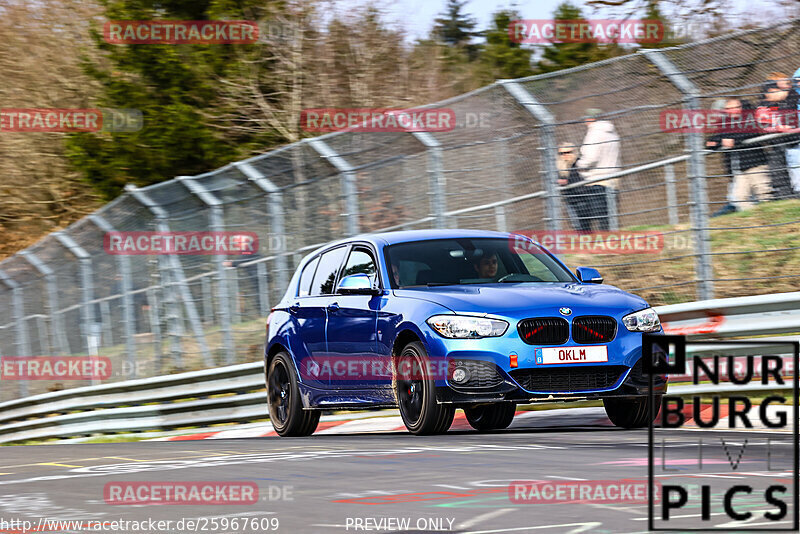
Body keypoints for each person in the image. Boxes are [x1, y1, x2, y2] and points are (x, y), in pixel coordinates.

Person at [706, 97, 771, 210]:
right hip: (739, 170)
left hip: (755, 165)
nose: (733, 110)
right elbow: (711, 141)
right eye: (729, 108)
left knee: (764, 193)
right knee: (739, 198)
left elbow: (751, 133)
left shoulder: (749, 119)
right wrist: (721, 141)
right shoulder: (724, 124)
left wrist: (733, 140)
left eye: (736, 107)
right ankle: (755, 220)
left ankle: (771, 218)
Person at [756, 80, 797, 199]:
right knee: (780, 173)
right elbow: (763, 126)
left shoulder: (790, 100)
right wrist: (778, 128)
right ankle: (788, 198)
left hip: (794, 143)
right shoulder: (763, 107)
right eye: (775, 91)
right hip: (779, 145)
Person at [557, 142, 609, 231]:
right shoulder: (559, 168)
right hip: (572, 202)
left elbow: (582, 178)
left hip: (586, 199)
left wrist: (567, 182)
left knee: (600, 223)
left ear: (574, 152)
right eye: (562, 153)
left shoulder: (580, 163)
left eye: (568, 152)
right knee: (580, 229)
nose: (565, 155)